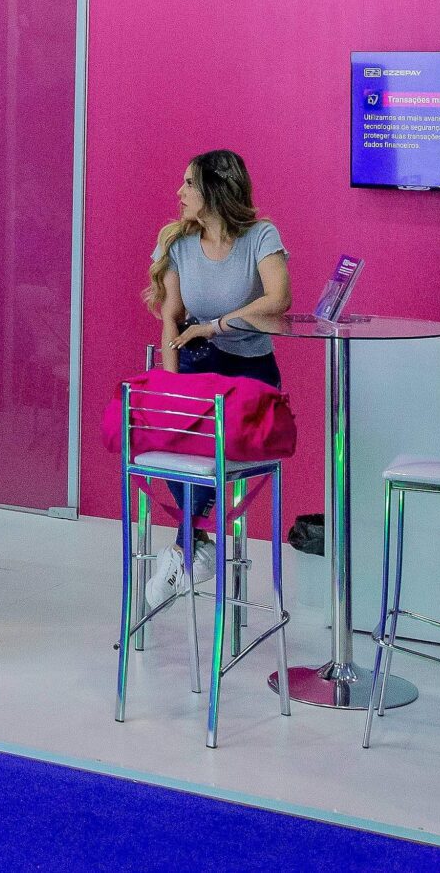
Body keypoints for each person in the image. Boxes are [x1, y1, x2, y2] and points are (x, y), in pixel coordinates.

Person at [138, 148, 290, 608]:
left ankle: (188, 549)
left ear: (215, 189)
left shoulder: (261, 236)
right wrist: (171, 388)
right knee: (171, 434)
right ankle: (196, 547)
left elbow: (278, 299)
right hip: (197, 367)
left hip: (251, 374)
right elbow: (171, 319)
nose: (179, 192)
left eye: (189, 183)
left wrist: (217, 325)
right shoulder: (178, 244)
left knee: (214, 441)